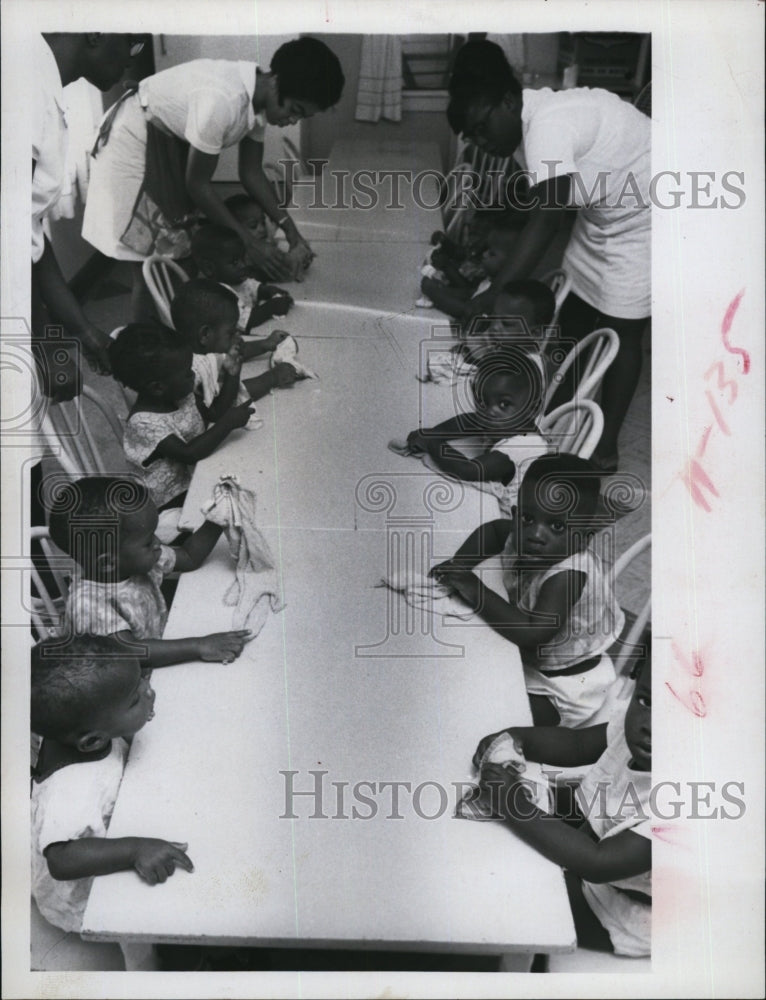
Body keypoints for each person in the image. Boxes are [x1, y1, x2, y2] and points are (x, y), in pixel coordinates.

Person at [447, 39, 650, 470]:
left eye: (483, 128)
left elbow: (548, 217)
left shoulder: (546, 125)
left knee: (622, 329)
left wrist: (493, 294)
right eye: (473, 136)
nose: (482, 142)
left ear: (507, 100)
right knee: (573, 315)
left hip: (646, 216)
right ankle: (545, 422)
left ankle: (605, 448)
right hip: (601, 213)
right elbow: (538, 205)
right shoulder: (526, 123)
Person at [81, 37, 345, 316]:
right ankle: (147, 346)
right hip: (134, 145)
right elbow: (197, 185)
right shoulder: (223, 100)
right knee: (153, 263)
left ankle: (180, 336)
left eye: (301, 117)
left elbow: (251, 172)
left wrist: (291, 231)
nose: (292, 121)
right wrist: (250, 243)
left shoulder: (257, 98)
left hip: (165, 147)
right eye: (294, 110)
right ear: (276, 81)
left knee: (183, 255)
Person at [475, 653, 651, 956]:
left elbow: (598, 863)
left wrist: (513, 804)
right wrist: (519, 739)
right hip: (598, 839)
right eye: (646, 701)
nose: (649, 724)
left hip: (619, 908)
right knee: (537, 806)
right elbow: (577, 745)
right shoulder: (635, 729)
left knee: (510, 888)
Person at [432, 454, 624, 727]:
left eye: (556, 526)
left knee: (499, 718)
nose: (536, 534)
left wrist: (474, 588)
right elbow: (495, 531)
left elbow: (532, 632)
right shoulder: (523, 532)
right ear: (516, 512)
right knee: (467, 677)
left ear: (583, 535)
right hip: (533, 662)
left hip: (567, 686)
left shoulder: (568, 575)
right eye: (527, 517)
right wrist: (460, 564)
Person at [31, 635, 195, 932]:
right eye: (135, 698)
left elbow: (131, 653)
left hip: (114, 825)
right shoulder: (71, 788)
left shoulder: (86, 724)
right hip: (86, 892)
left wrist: (197, 647)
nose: (149, 690)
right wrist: (134, 850)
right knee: (137, 933)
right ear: (93, 740)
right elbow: (61, 860)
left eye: (142, 678)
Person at [32, 33, 140, 402]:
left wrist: (82, 330)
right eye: (132, 43)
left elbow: (23, 229)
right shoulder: (22, 90)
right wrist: (48, 345)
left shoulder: (43, 83)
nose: (132, 58)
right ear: (94, 33)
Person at [47, 476, 252, 668]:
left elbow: (189, 557)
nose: (157, 543)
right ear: (108, 563)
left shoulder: (137, 559)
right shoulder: (87, 603)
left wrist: (216, 520)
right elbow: (128, 652)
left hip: (156, 650)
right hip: (121, 680)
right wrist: (199, 646)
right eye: (147, 541)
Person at [108, 322, 294, 513]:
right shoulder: (144, 423)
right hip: (170, 500)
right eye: (187, 373)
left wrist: (232, 374)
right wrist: (228, 423)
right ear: (158, 387)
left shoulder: (179, 391)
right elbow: (189, 454)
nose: (193, 374)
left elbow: (214, 413)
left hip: (199, 471)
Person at [403, 346, 550, 514]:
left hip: (517, 517)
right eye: (483, 402)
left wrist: (432, 443)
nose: (489, 412)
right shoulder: (506, 421)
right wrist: (434, 432)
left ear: (533, 409)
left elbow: (468, 470)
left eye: (504, 404)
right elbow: (470, 420)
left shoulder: (522, 446)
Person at [171, 278, 294, 417]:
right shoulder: (195, 371)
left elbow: (232, 352)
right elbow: (229, 401)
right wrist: (272, 378)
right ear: (205, 334)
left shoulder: (203, 347)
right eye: (231, 332)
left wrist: (264, 344)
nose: (238, 335)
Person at [190, 225, 293, 333]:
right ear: (209, 268)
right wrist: (272, 307)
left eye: (243, 258)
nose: (244, 265)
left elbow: (253, 289)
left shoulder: (234, 279)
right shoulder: (216, 295)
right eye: (235, 262)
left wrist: (269, 291)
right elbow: (248, 320)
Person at [420, 225, 520, 322]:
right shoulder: (488, 280)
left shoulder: (499, 294)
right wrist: (445, 271)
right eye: (486, 250)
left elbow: (467, 311)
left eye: (491, 254)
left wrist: (433, 292)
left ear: (510, 264)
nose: (484, 255)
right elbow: (468, 293)